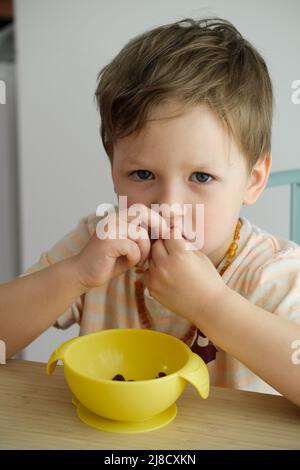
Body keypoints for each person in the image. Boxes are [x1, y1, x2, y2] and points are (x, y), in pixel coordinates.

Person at [4, 17, 300, 405]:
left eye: (201, 176)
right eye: (143, 174)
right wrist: (74, 275)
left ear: (253, 180)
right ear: (113, 170)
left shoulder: (271, 274)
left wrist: (210, 303)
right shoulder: (99, 244)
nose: (169, 205)